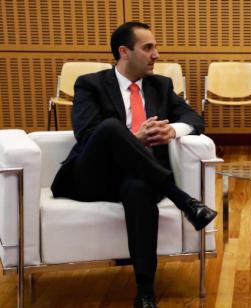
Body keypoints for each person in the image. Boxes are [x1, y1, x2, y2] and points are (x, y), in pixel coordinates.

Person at [51, 22, 217, 308]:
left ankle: (144, 292)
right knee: (112, 128)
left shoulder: (160, 86)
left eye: (155, 47)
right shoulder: (90, 84)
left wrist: (173, 131)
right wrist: (134, 139)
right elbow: (88, 135)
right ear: (124, 52)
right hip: (92, 176)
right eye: (148, 48)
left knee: (139, 188)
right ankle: (184, 201)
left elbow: (195, 120)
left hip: (139, 176)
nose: (157, 55)